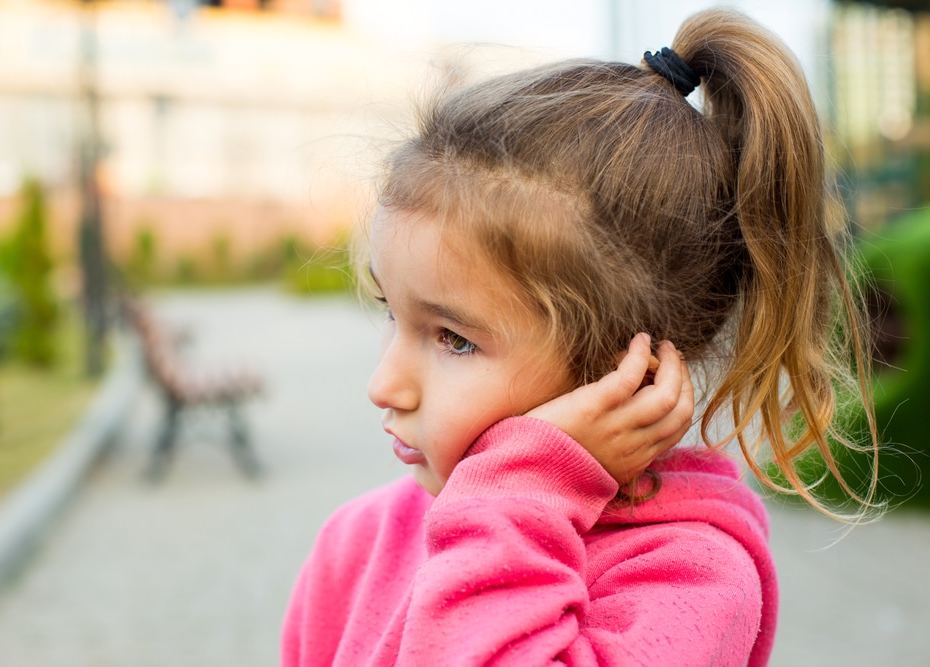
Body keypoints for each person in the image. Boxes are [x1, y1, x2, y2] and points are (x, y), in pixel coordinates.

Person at [282, 8, 880, 666]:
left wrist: (523, 488)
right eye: (390, 311)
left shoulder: (688, 578)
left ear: (626, 370)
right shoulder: (359, 539)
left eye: (453, 338)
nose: (382, 385)